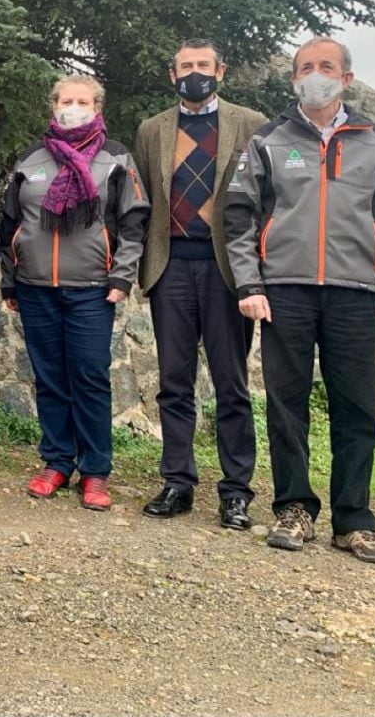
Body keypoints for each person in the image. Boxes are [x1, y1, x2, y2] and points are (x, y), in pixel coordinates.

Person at [225, 37, 375, 565]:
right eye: (305, 67)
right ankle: (293, 508)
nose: (315, 75)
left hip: (357, 292)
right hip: (284, 289)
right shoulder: (268, 140)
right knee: (287, 406)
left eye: (325, 67)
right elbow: (239, 216)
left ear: (346, 79)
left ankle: (353, 520)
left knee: (356, 411)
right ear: (294, 79)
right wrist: (250, 284)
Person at [132, 39, 267, 529]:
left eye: (203, 66)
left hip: (227, 270)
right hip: (170, 267)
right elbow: (146, 196)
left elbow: (261, 198)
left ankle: (236, 492)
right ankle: (177, 482)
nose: (195, 73)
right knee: (174, 383)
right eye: (186, 67)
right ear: (173, 75)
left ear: (221, 71)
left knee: (232, 384)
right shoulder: (152, 130)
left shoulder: (250, 124)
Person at [1, 75, 150, 510]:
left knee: (89, 377)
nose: (73, 107)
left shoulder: (116, 157)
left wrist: (121, 277)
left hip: (92, 288)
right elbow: (9, 224)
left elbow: (134, 221)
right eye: (66, 100)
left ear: (97, 106)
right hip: (35, 288)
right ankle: (56, 462)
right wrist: (10, 279)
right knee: (49, 380)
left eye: (82, 101)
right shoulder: (31, 158)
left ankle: (96, 472)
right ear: (54, 106)